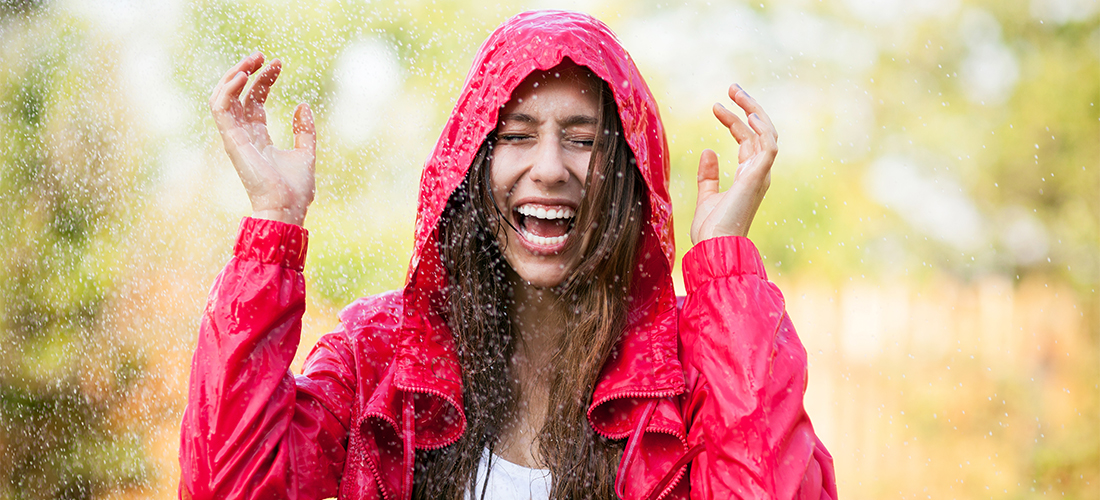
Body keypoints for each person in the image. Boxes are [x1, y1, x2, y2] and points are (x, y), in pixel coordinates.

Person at [180, 10, 837, 500]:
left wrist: (724, 264)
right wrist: (273, 221)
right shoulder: (377, 354)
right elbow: (225, 485)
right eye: (517, 136)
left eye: (582, 139)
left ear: (629, 169)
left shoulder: (695, 367)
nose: (549, 168)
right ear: (469, 167)